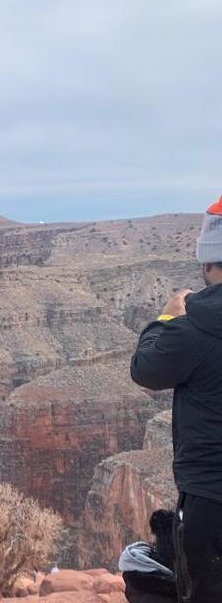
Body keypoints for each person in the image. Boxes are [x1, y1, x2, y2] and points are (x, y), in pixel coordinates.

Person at [130, 196, 222, 603]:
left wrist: (167, 317)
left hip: (211, 499)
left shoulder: (192, 327)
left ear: (207, 263)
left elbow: (145, 369)